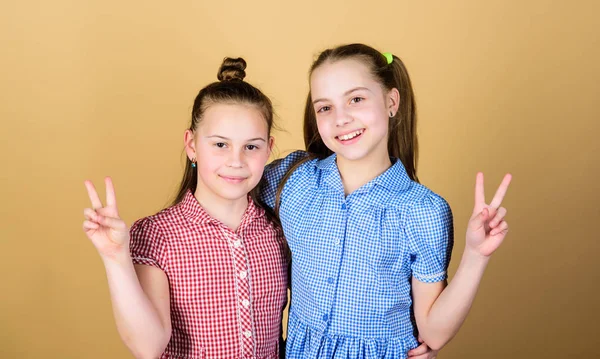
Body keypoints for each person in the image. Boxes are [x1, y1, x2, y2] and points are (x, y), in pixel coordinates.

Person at [259, 43, 512, 359]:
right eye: (325, 107)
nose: (341, 119)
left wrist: (475, 255)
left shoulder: (422, 211)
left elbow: (432, 331)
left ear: (391, 102)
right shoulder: (291, 178)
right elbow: (225, 199)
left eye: (356, 99)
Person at [82, 58, 289, 359]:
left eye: (251, 146)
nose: (236, 160)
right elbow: (148, 347)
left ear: (269, 148)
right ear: (192, 144)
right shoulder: (157, 234)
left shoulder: (278, 230)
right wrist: (115, 258)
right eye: (220, 144)